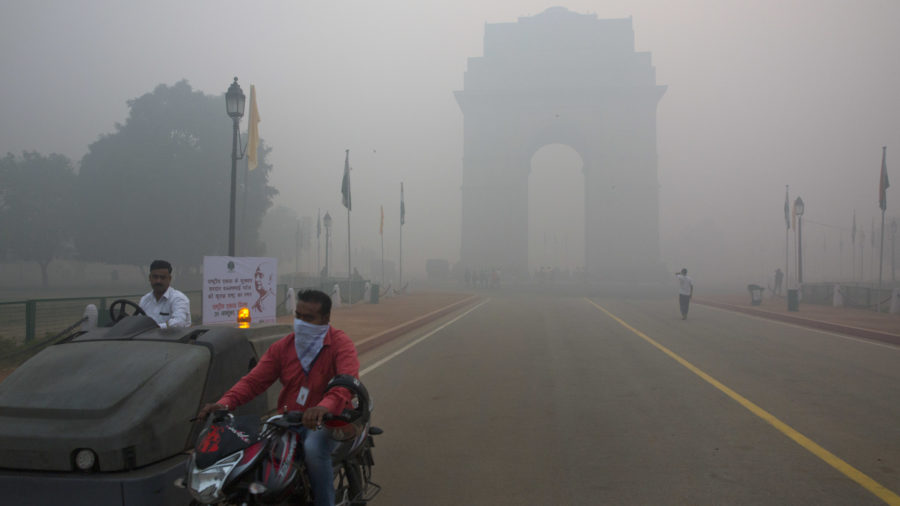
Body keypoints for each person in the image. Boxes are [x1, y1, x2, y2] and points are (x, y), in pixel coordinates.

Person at [197, 289, 359, 506]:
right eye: (297, 316)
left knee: (313, 451)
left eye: (308, 318)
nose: (300, 322)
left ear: (325, 319)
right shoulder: (283, 347)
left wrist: (323, 407)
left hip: (328, 421)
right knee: (259, 454)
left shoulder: (340, 344)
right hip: (289, 418)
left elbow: (345, 384)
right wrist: (224, 403)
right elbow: (253, 381)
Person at [139, 259, 191, 328]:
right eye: (155, 277)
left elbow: (179, 323)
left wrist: (154, 328)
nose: (158, 281)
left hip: (172, 338)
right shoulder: (144, 300)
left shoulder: (178, 299)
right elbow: (138, 322)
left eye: (162, 277)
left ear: (169, 279)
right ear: (150, 278)